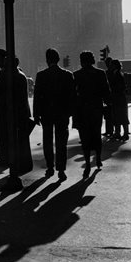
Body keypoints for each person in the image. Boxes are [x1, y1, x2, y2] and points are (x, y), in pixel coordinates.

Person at [33, 48, 75, 181]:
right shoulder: (67, 75)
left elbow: (37, 97)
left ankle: (50, 167)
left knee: (47, 140)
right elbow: (72, 96)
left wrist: (36, 114)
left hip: (46, 113)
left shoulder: (41, 75)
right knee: (61, 142)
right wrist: (70, 112)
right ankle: (61, 169)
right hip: (62, 113)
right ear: (58, 59)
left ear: (47, 60)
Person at [73, 51, 111, 178]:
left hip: (82, 110)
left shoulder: (76, 75)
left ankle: (87, 163)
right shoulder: (100, 73)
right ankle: (98, 159)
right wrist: (108, 104)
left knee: (85, 137)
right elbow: (106, 91)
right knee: (96, 134)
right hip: (96, 109)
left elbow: (73, 94)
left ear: (82, 61)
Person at [108, 59, 130, 141]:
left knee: (120, 116)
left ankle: (121, 133)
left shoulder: (117, 74)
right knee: (120, 116)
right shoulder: (118, 73)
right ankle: (122, 133)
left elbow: (120, 87)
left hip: (118, 98)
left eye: (111, 65)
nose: (110, 66)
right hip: (119, 98)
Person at [103, 56, 114, 137]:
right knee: (108, 115)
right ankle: (110, 130)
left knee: (109, 115)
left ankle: (110, 130)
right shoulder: (111, 72)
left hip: (110, 96)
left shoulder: (108, 73)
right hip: (109, 96)